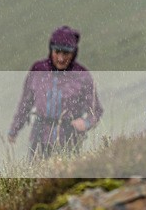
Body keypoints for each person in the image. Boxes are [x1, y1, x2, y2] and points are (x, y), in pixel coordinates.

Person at [8, 25, 103, 159]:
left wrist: (86, 123)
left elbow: (96, 110)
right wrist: (14, 129)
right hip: (40, 137)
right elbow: (26, 103)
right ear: (50, 49)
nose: (60, 58)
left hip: (69, 138)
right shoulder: (38, 70)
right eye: (57, 52)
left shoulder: (82, 76)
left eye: (66, 53)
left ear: (74, 53)